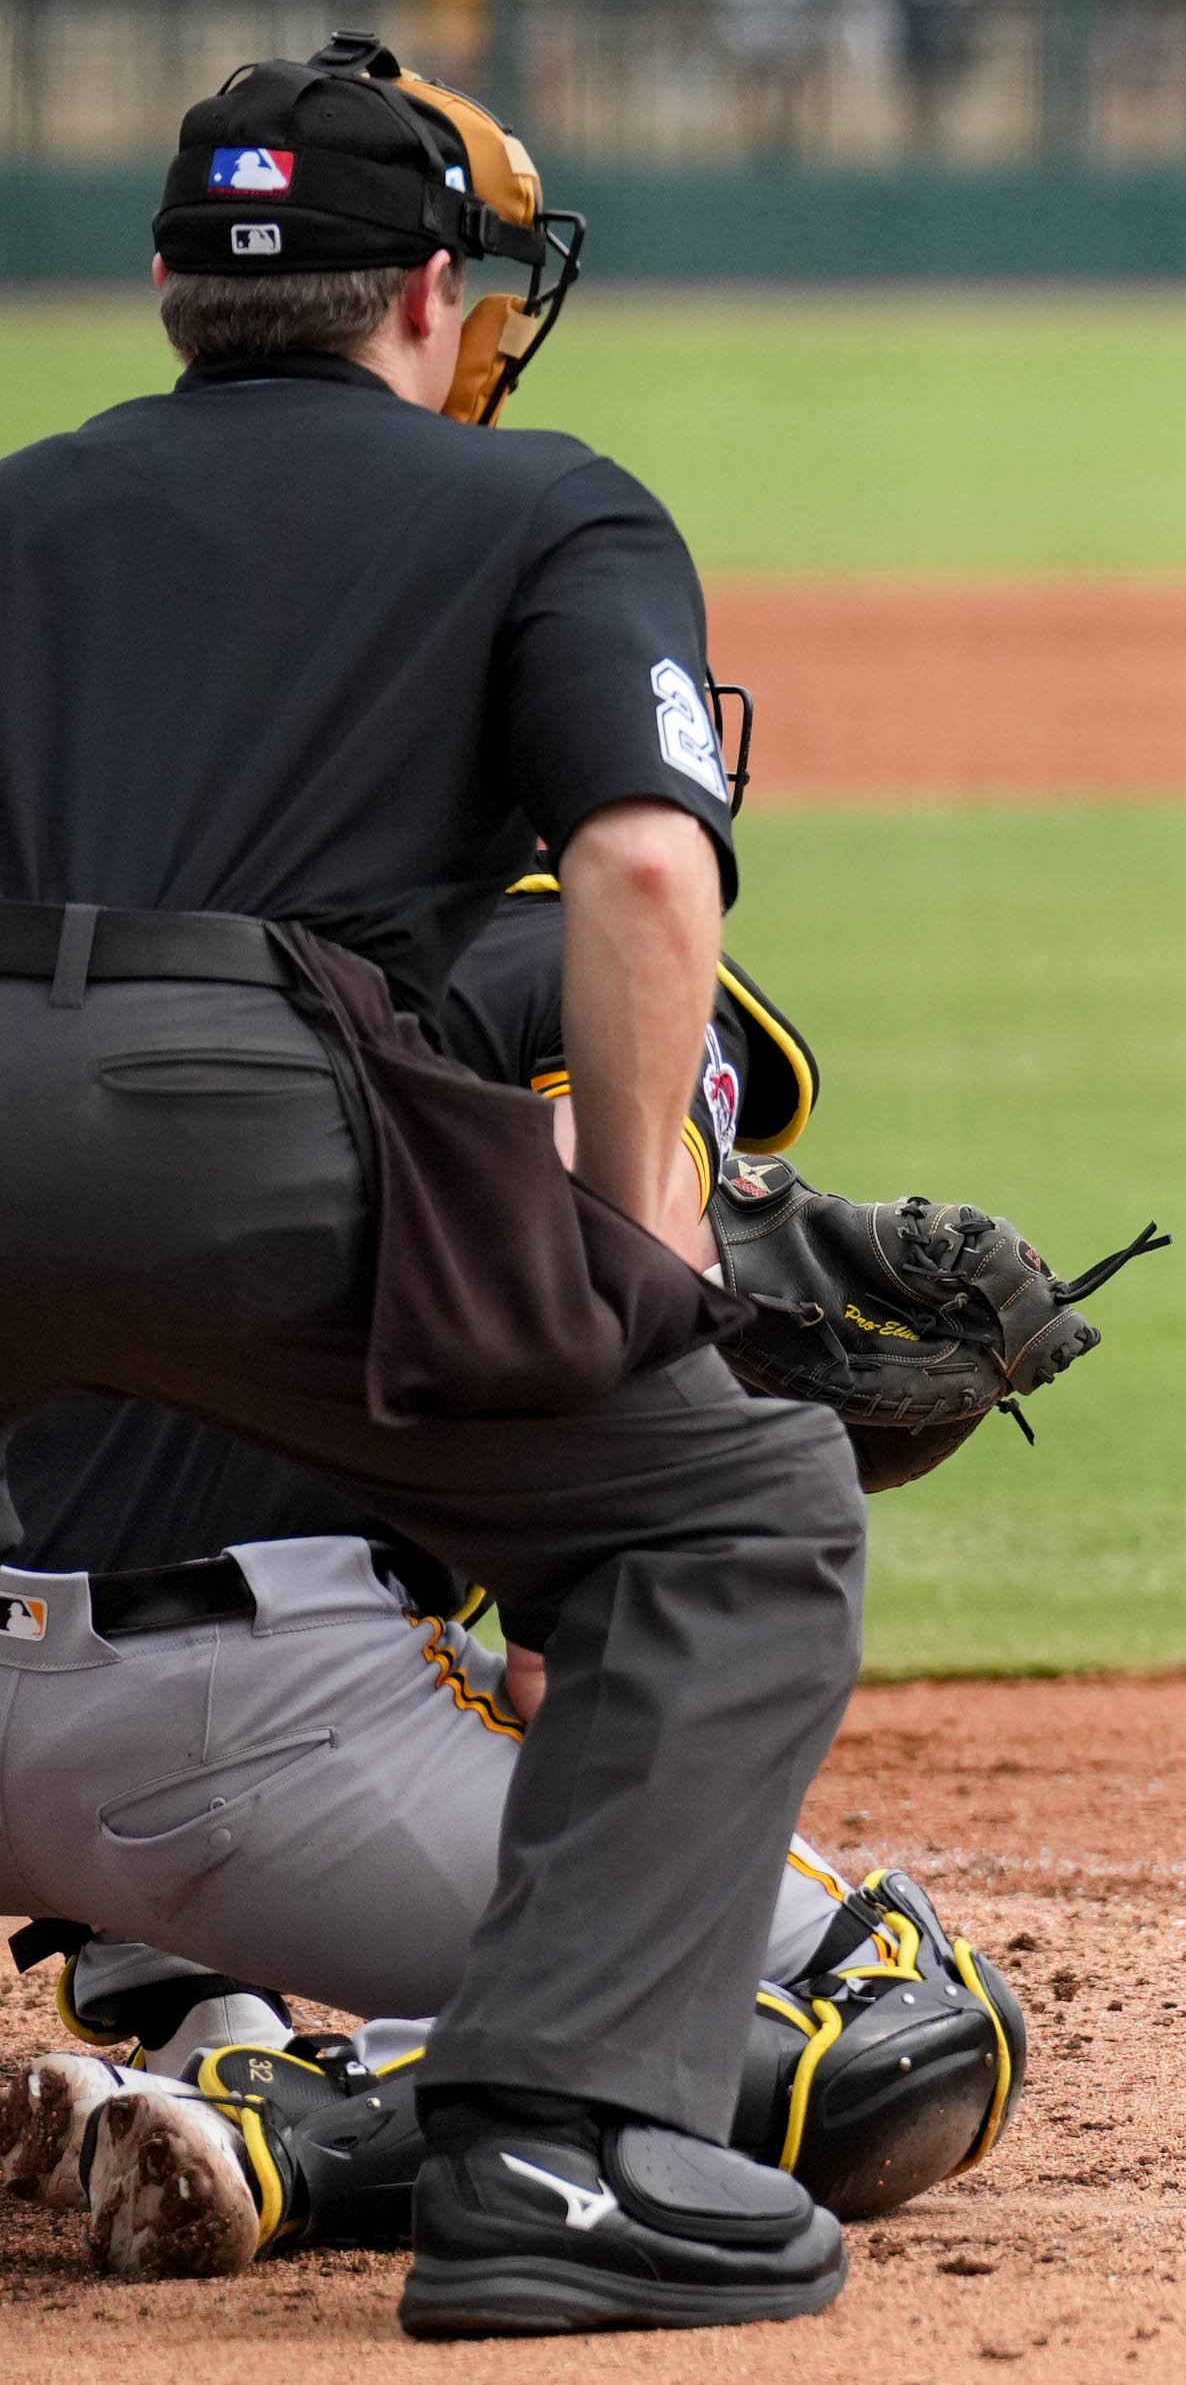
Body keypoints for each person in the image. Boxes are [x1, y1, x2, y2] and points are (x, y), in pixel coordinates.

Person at [0, 30, 867, 2333]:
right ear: (423, 301)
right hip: (246, 1108)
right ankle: (562, 2160)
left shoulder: (12, 507)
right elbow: (640, 876)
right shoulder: (545, 504)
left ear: (178, 288)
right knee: (732, 1509)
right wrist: (643, 1263)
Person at [2, 884, 1076, 2285]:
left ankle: (186, 1985)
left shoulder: (78, 913)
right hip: (246, 1750)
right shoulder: (562, 946)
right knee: (910, 2019)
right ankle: (302, 2131)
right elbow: (613, 1255)